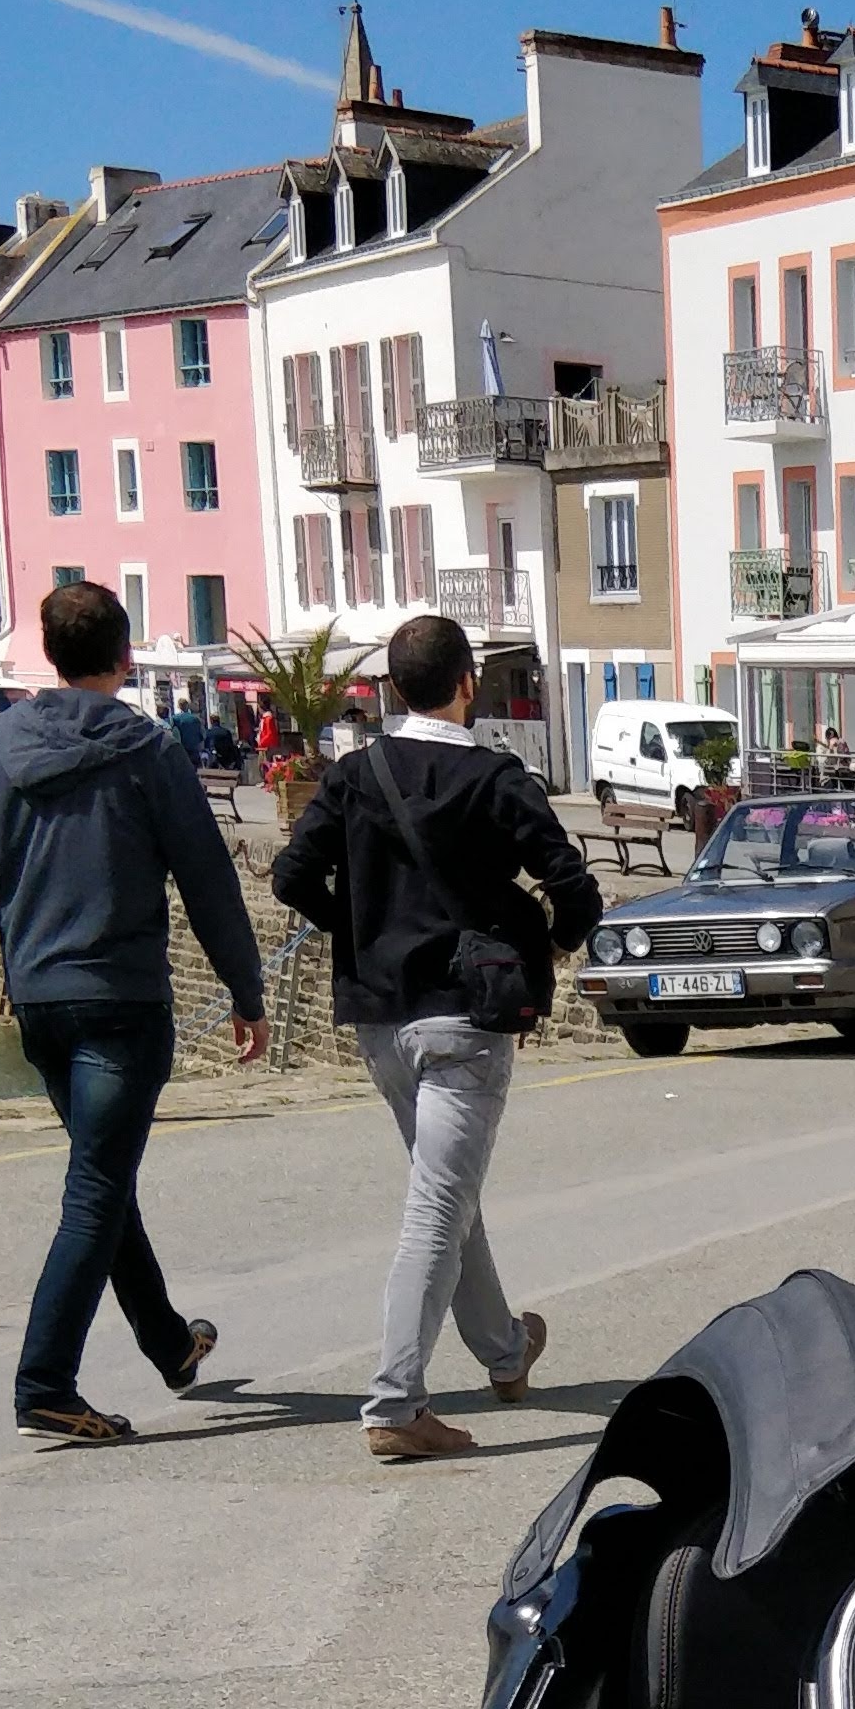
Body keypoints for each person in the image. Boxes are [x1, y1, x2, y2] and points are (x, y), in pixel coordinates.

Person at [0, 578, 266, 1447]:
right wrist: (246, 992)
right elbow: (207, 877)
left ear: (50, 654)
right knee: (95, 1189)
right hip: (121, 1002)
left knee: (103, 1175)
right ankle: (45, 1383)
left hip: (39, 1004)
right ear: (124, 656)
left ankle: (170, 1343)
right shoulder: (148, 749)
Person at [270, 608, 600, 1467]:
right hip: (464, 1016)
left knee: (446, 1191)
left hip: (382, 1017)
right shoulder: (495, 778)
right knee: (437, 1206)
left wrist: (361, 932)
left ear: (391, 688)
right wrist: (550, 943)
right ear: (466, 685)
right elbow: (574, 885)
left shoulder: (355, 774)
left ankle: (504, 1351)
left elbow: (291, 875)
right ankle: (395, 1402)